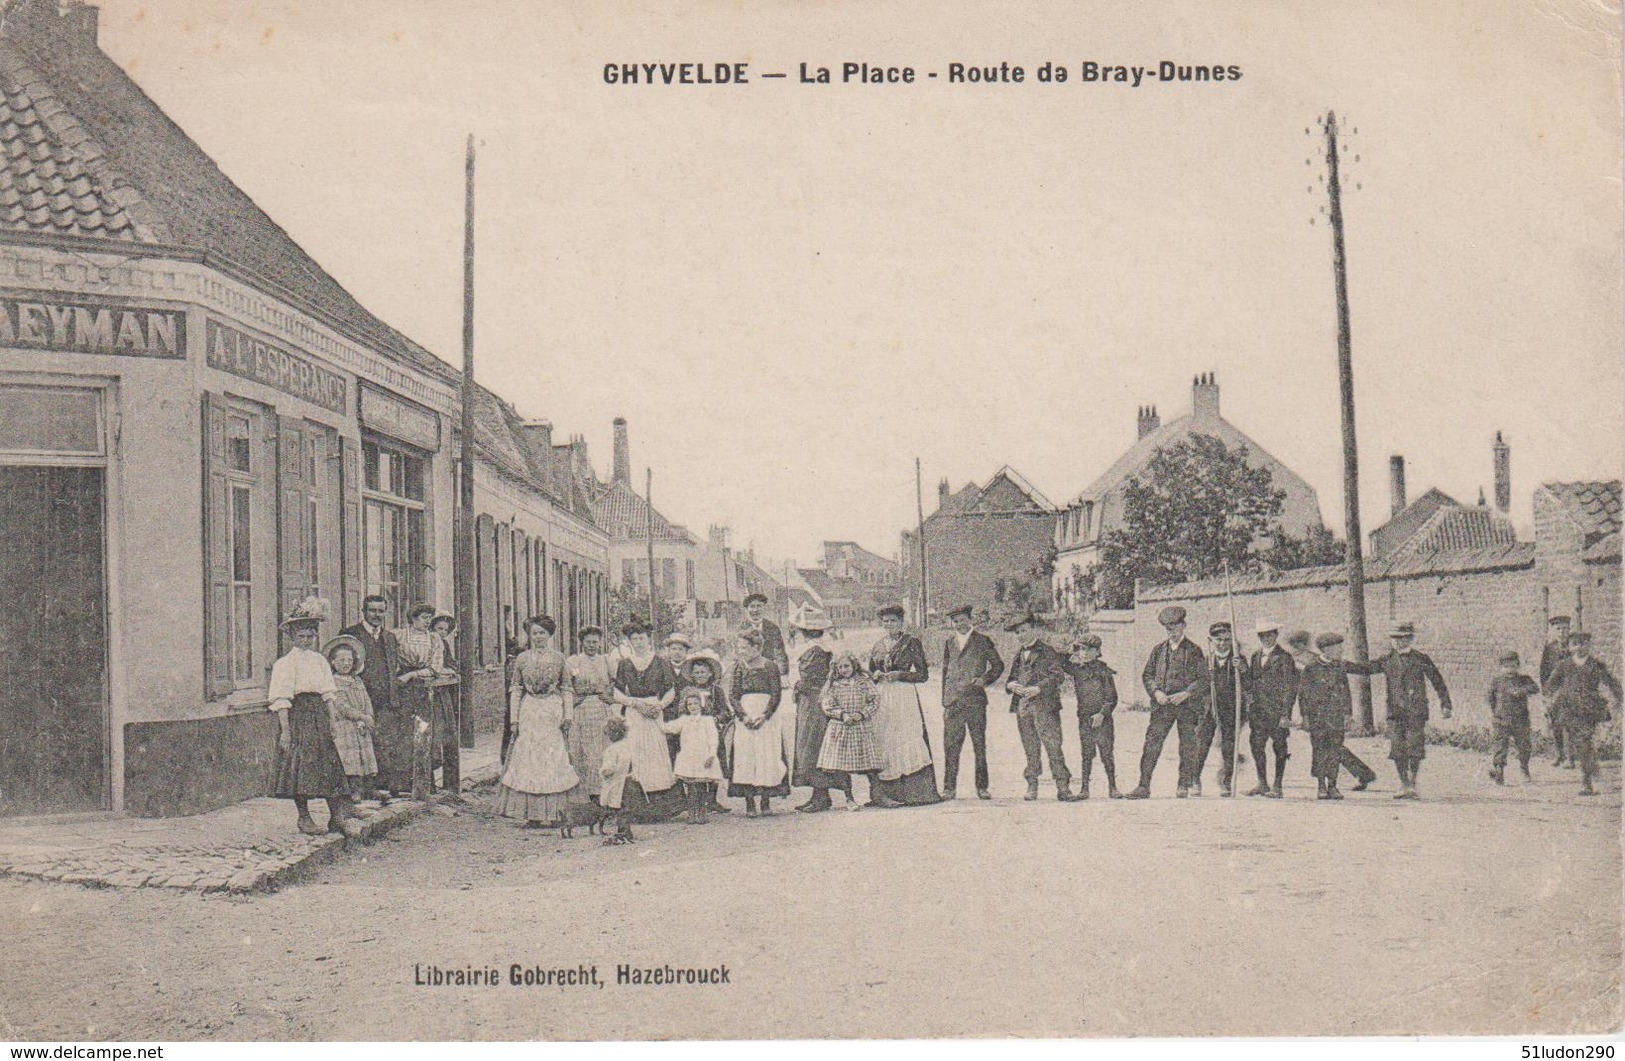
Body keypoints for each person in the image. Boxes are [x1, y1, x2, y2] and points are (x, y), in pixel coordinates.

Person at [269, 598, 355, 837]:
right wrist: (286, 730)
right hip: (299, 715)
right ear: (293, 637)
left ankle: (336, 817)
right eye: (301, 636)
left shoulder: (319, 661)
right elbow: (281, 699)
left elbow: (328, 693)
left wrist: (332, 721)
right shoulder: (284, 664)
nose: (306, 640)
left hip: (319, 714)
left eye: (310, 636)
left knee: (329, 764)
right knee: (301, 767)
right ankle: (304, 817)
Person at [1345, 621, 1453, 800]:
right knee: (1397, 748)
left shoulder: (1421, 659)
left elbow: (1437, 681)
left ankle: (1412, 781)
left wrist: (1446, 704)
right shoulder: (1387, 660)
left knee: (1415, 747)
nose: (1397, 642)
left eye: (1402, 638)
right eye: (1394, 638)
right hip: (1395, 712)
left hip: (1416, 711)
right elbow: (1365, 669)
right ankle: (1403, 783)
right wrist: (1343, 664)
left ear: (1410, 639)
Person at [496, 615, 580, 827]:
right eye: (534, 633)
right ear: (529, 635)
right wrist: (514, 720)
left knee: (552, 759)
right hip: (530, 711)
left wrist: (568, 715)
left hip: (552, 710)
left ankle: (554, 814)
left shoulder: (559, 658)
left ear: (550, 634)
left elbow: (567, 689)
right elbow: (516, 690)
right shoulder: (522, 659)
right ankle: (532, 815)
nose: (538, 637)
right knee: (530, 760)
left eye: (542, 632)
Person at [1128, 606, 1207, 799]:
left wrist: (1187, 693)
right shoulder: (1158, 650)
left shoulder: (1194, 650)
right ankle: (1143, 785)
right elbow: (1147, 675)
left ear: (1183, 626)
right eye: (1168, 628)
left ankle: (1184, 783)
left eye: (1175, 626)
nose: (1171, 631)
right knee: (1152, 743)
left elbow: (1204, 679)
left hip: (1186, 706)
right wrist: (1156, 692)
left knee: (1187, 744)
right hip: (1162, 706)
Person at [1284, 628, 1376, 791]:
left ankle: (1360, 773)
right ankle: (1360, 773)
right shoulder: (1301, 659)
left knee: (1329, 746)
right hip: (1314, 710)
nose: (1295, 648)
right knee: (1328, 745)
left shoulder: (1306, 660)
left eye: (1297, 644)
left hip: (1324, 710)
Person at [867, 604, 940, 806]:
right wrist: (875, 675)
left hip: (904, 695)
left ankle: (916, 793)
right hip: (883, 696)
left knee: (907, 735)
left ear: (901, 622)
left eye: (894, 621)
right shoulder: (878, 645)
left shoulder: (911, 643)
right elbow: (870, 671)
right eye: (886, 621)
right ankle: (887, 793)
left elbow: (923, 675)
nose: (889, 624)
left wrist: (900, 675)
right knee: (885, 738)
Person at [611, 620, 679, 819]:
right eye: (634, 639)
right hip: (634, 712)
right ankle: (636, 807)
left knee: (656, 754)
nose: (638, 642)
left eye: (642, 638)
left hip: (654, 711)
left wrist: (659, 706)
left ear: (649, 639)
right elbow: (616, 692)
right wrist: (634, 703)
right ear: (629, 641)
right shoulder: (624, 664)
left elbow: (671, 691)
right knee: (635, 754)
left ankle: (659, 808)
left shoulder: (660, 662)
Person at [341, 595, 406, 800]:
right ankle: (357, 789)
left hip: (385, 701)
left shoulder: (389, 637)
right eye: (372, 610)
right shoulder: (351, 635)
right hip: (359, 700)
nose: (377, 615)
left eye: (381, 611)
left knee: (383, 743)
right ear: (363, 611)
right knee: (358, 745)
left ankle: (378, 787)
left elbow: (393, 669)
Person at [1005, 613, 1074, 801]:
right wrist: (1012, 685)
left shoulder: (1048, 651)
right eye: (1018, 632)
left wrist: (1038, 688)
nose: (1021, 635)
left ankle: (1063, 787)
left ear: (1033, 629)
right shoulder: (1019, 653)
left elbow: (1058, 676)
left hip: (1045, 706)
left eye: (1024, 630)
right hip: (1023, 706)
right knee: (1030, 747)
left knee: (1053, 746)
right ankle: (1032, 786)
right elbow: (1011, 678)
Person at [1544, 631, 1621, 797]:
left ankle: (1587, 782)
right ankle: (1593, 771)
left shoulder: (1596, 665)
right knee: (1581, 743)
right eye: (1575, 643)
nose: (1580, 647)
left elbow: (1611, 682)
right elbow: (1551, 684)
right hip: (1569, 709)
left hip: (1589, 709)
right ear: (1570, 647)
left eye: (1583, 643)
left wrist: (1619, 698)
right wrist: (1548, 698)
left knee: (1584, 741)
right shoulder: (1564, 665)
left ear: (1589, 645)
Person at [940, 604, 1004, 800]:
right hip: (953, 702)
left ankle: (982, 787)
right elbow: (945, 672)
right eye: (956, 621)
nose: (959, 624)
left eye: (963, 620)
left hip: (975, 701)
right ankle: (949, 788)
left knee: (979, 745)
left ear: (970, 620)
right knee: (951, 746)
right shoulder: (949, 642)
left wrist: (984, 680)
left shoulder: (983, 641)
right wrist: (945, 701)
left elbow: (998, 666)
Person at [729, 630, 789, 816]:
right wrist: (743, 716)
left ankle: (765, 801)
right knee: (746, 756)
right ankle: (749, 803)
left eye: (745, 648)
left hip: (766, 718)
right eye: (739, 648)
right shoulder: (738, 667)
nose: (742, 651)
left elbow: (776, 693)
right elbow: (733, 694)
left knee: (767, 756)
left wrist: (765, 715)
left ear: (757, 647)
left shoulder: (770, 666)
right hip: (745, 716)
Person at [791, 618, 849, 812]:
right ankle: (818, 794)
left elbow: (810, 681)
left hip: (814, 703)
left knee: (813, 746)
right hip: (814, 701)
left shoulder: (813, 652)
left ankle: (821, 796)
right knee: (813, 746)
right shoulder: (820, 649)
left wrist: (798, 685)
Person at [393, 603, 448, 794]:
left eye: (429, 618)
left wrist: (412, 675)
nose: (427, 622)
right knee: (403, 732)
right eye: (423, 617)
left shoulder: (434, 639)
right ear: (413, 618)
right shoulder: (398, 635)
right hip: (401, 689)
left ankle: (424, 782)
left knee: (424, 731)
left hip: (423, 689)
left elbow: (435, 668)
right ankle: (400, 783)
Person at [818, 651, 883, 811]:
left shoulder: (864, 682)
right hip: (841, 728)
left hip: (861, 726)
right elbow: (827, 705)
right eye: (840, 667)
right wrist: (842, 714)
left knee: (870, 763)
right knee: (843, 766)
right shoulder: (833, 685)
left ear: (854, 666)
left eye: (846, 666)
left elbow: (874, 700)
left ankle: (877, 795)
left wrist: (861, 714)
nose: (843, 670)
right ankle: (849, 798)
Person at [324, 635, 378, 807]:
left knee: (365, 756)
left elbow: (366, 699)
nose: (346, 663)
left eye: (349, 660)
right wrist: (361, 717)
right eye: (341, 660)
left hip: (361, 724)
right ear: (332, 662)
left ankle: (368, 788)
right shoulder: (332, 682)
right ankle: (352, 791)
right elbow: (342, 706)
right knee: (349, 758)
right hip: (345, 725)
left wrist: (368, 716)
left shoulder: (357, 679)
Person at [1298, 632, 1354, 800]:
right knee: (1320, 751)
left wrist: (1348, 714)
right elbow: (1303, 694)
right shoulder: (1311, 668)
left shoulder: (1339, 667)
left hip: (1336, 716)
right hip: (1318, 718)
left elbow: (1346, 692)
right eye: (1338, 647)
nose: (1341, 650)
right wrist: (1305, 716)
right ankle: (1321, 785)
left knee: (1335, 751)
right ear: (1326, 649)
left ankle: (1333, 786)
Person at [563, 626, 615, 806]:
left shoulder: (607, 661)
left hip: (601, 709)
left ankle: (600, 796)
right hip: (581, 709)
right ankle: (581, 796)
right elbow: (566, 686)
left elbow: (617, 684)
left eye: (595, 642)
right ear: (582, 642)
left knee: (600, 752)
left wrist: (609, 697)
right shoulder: (573, 661)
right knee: (580, 752)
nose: (592, 645)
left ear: (600, 642)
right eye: (588, 642)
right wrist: (575, 701)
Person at [1065, 634, 1121, 799]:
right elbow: (1061, 662)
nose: (1083, 653)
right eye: (1081, 649)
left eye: (1088, 649)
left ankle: (1113, 787)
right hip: (1084, 718)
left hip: (1103, 720)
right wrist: (1072, 649)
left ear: (1097, 651)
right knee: (1086, 754)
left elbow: (1112, 698)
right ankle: (1084, 789)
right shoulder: (1077, 670)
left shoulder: (1104, 671)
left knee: (1107, 753)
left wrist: (1102, 714)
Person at [1245, 620, 1296, 799]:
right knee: (1256, 746)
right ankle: (1262, 783)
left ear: (1276, 635)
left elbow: (1290, 688)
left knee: (1280, 748)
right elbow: (1250, 682)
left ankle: (1277, 785)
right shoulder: (1255, 656)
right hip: (1258, 713)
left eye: (1270, 635)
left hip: (1276, 712)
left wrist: (1285, 714)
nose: (1266, 639)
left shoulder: (1285, 658)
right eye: (1262, 636)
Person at [680, 649, 734, 814]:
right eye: (696, 672)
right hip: (693, 735)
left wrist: (716, 719)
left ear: (710, 673)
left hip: (712, 733)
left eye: (703, 672)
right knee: (695, 764)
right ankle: (696, 802)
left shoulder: (716, 691)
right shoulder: (687, 691)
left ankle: (712, 800)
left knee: (714, 763)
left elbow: (726, 712)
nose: (700, 675)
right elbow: (681, 711)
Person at [1195, 621, 1245, 798]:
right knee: (1201, 745)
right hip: (1208, 709)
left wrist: (1242, 669)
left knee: (1229, 747)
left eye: (1226, 640)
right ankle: (1195, 779)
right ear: (1211, 640)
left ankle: (1226, 782)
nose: (1223, 643)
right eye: (1218, 640)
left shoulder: (1238, 660)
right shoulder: (1205, 661)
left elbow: (1247, 684)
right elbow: (1198, 686)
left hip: (1230, 709)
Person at [662, 689, 723, 824]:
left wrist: (711, 755)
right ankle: (692, 813)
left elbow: (714, 739)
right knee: (690, 787)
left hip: (703, 757)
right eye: (690, 705)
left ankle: (702, 813)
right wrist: (655, 723)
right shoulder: (684, 720)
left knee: (701, 787)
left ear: (701, 705)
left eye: (695, 704)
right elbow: (669, 727)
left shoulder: (708, 721)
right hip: (689, 757)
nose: (693, 707)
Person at [1486, 650, 1540, 785]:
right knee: (1500, 746)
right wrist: (1496, 712)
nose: (1510, 669)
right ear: (1501, 667)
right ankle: (1499, 771)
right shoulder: (1497, 681)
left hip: (1520, 720)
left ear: (1518, 666)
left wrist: (1521, 691)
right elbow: (1490, 698)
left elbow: (1535, 688)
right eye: (1506, 666)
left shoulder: (1523, 680)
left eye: (1513, 666)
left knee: (1524, 746)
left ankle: (1524, 768)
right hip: (1501, 720)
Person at [1540, 615, 1575, 767]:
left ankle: (1570, 758)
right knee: (1555, 724)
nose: (1562, 632)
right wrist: (1546, 693)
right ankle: (1559, 754)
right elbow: (1544, 671)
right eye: (1558, 629)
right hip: (1555, 693)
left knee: (1570, 724)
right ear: (1554, 631)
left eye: (1565, 629)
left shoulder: (1575, 646)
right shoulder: (1549, 649)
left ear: (1569, 630)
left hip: (1571, 691)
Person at [599, 717, 637, 844]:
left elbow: (609, 768)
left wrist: (604, 772)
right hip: (631, 780)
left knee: (620, 808)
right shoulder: (629, 745)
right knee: (627, 808)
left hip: (619, 783)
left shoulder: (612, 750)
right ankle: (626, 830)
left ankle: (624, 831)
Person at [741, 592, 789, 676]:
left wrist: (783, 674)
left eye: (759, 606)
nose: (755, 610)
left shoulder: (772, 628)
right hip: (748, 672)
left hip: (768, 672)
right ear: (747, 609)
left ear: (764, 608)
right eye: (752, 606)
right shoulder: (741, 629)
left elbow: (779, 652)